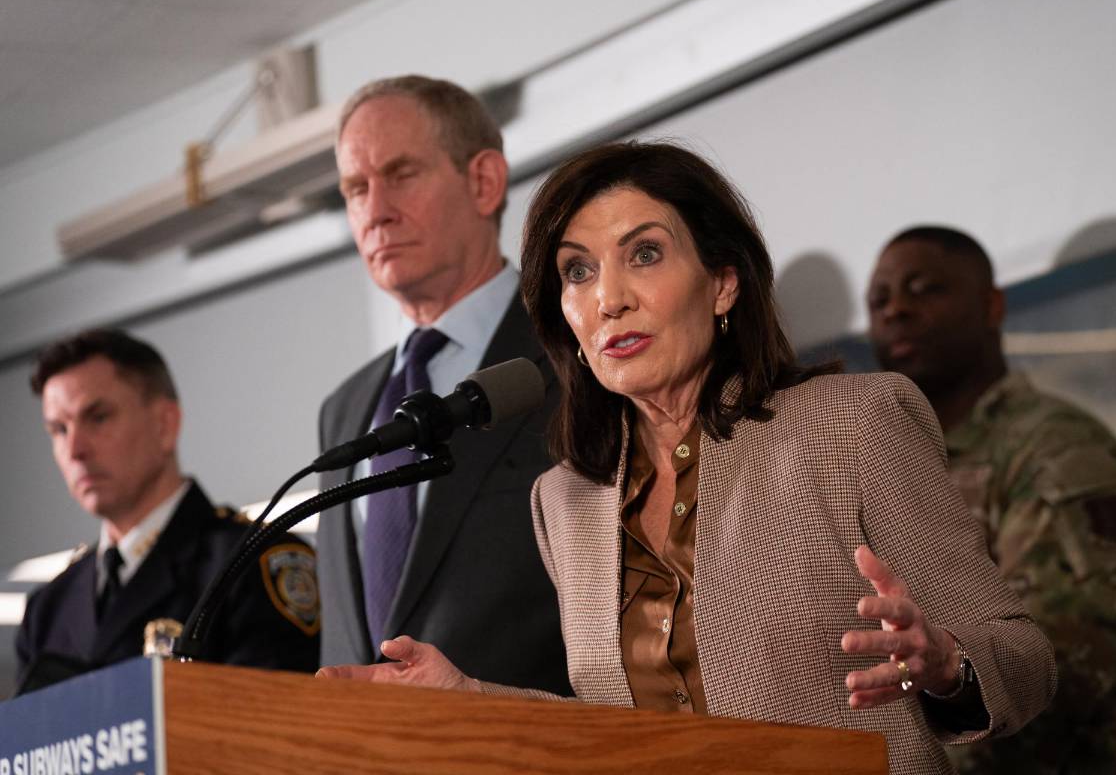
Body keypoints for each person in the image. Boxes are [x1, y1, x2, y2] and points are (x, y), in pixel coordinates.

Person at [318, 141, 1056, 775]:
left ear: (723, 281)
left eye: (644, 254)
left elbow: (1022, 659)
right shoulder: (566, 499)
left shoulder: (854, 425)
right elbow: (616, 728)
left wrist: (949, 664)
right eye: (578, 271)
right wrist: (470, 699)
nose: (610, 298)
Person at [866, 226, 1116, 774]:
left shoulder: (1057, 451)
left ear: (991, 305)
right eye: (879, 299)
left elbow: (1063, 666)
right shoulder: (882, 458)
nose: (896, 309)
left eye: (925, 288)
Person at [317, 75, 569, 694]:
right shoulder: (344, 408)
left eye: (401, 174)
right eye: (356, 188)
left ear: (483, 182)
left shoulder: (573, 357)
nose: (375, 210)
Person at [16, 328, 318, 693]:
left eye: (97, 417)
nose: (75, 449)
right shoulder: (48, 608)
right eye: (59, 429)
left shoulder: (251, 561)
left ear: (165, 424)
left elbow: (278, 728)